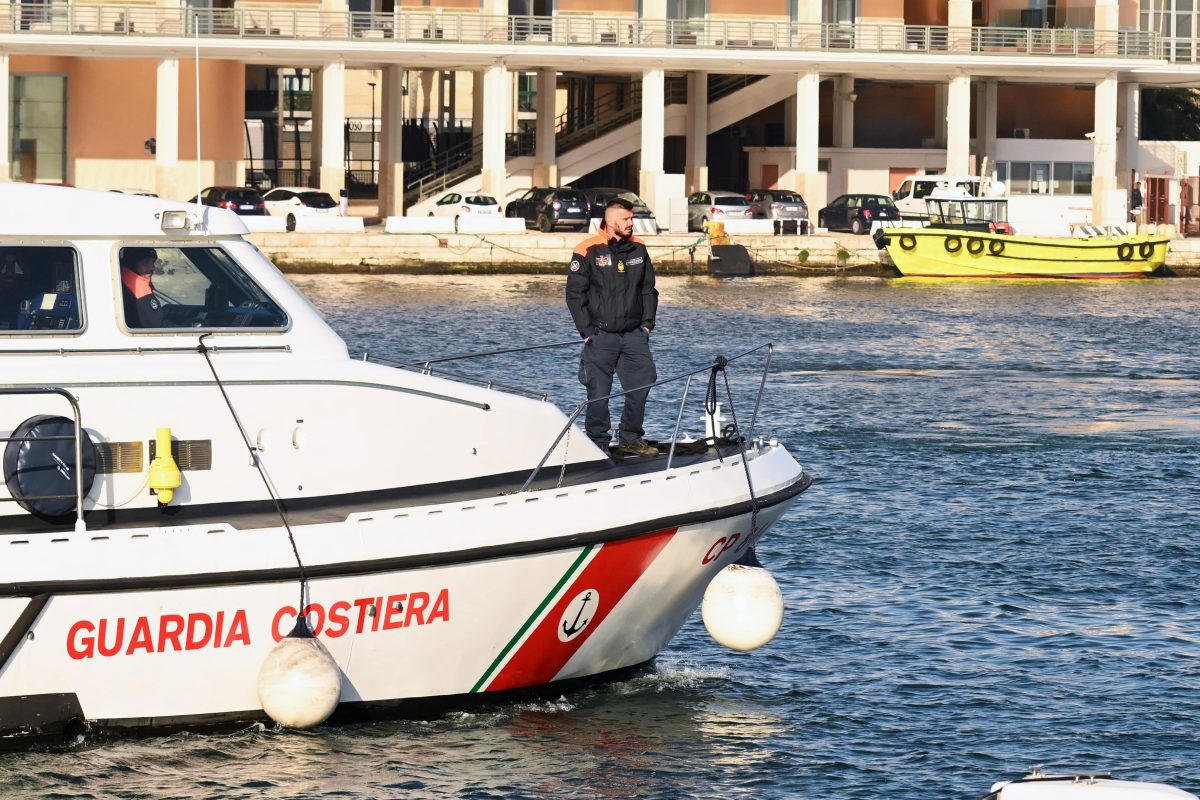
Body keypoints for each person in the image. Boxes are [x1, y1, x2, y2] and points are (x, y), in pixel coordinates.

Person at [566, 198, 659, 458]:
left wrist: (647, 326)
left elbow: (648, 290)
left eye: (632, 219)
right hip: (600, 336)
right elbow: (574, 295)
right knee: (598, 393)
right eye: (626, 219)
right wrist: (587, 333)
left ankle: (630, 438)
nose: (631, 224)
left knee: (641, 385)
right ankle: (597, 442)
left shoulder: (639, 249)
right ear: (611, 221)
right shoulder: (587, 249)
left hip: (634, 336)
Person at [119, 246, 164, 328]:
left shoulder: (121, 281)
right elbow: (156, 327)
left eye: (153, 262)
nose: (152, 267)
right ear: (132, 264)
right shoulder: (138, 289)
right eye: (146, 262)